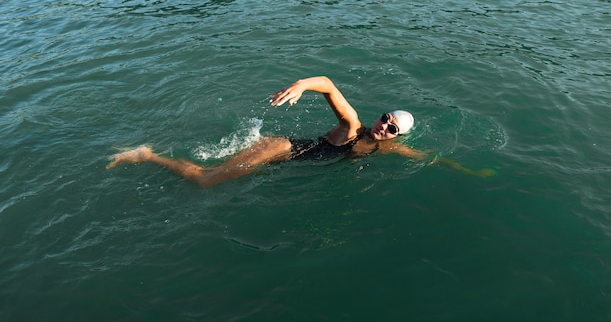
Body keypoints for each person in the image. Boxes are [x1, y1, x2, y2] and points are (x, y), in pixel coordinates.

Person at [107, 76, 494, 187]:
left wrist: (472, 172)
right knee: (205, 181)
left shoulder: (386, 150)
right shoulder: (353, 126)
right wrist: (301, 86)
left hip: (289, 162)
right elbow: (328, 83)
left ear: (396, 137)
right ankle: (147, 154)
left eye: (392, 129)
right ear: (378, 117)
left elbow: (430, 159)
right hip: (276, 149)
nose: (384, 127)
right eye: (385, 118)